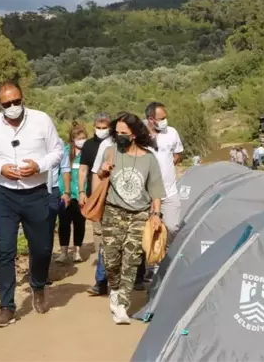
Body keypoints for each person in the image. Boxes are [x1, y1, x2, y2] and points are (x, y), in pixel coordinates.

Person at [0, 80, 64, 328]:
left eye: (17, 101)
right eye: (7, 103)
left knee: (42, 248)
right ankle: (6, 306)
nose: (13, 106)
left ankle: (37, 287)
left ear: (23, 98)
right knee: (5, 251)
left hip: (36, 193)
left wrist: (40, 166)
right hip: (4, 195)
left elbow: (57, 151)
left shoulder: (41, 120)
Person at [95, 112, 165, 324]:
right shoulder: (111, 151)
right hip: (113, 212)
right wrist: (103, 171)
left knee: (132, 259)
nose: (119, 136)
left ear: (134, 134)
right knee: (111, 259)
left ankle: (122, 305)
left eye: (123, 133)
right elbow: (99, 175)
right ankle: (114, 288)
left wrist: (156, 215)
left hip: (139, 214)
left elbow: (155, 191)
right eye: (116, 133)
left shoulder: (149, 159)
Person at [78, 112, 112, 296]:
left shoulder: (116, 144)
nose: (101, 131)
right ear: (93, 127)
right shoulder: (89, 146)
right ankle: (102, 279)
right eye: (98, 128)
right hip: (95, 196)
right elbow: (83, 170)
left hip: (115, 198)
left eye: (104, 127)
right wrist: (82, 192)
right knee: (99, 234)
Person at [144, 102, 184, 242]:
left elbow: (178, 154)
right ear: (151, 119)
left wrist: (168, 165)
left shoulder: (172, 132)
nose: (165, 121)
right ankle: (152, 261)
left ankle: (168, 258)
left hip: (169, 192)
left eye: (165, 117)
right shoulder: (140, 136)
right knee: (149, 231)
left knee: (173, 227)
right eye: (161, 119)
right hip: (147, 194)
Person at [55, 122, 87, 263]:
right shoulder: (65, 152)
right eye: (79, 138)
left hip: (81, 194)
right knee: (64, 222)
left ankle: (77, 252)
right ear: (72, 139)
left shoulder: (88, 154)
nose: (82, 140)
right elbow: (60, 173)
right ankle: (63, 253)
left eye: (84, 137)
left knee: (79, 223)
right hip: (66, 193)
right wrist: (63, 191)